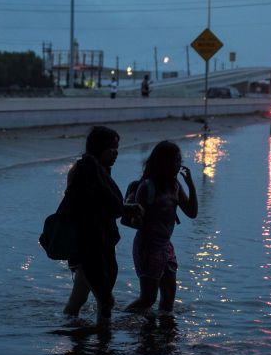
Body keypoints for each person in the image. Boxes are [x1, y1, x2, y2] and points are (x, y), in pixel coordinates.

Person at [62, 126, 141, 326]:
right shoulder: (88, 170)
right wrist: (126, 209)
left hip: (93, 243)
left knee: (78, 298)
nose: (116, 155)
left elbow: (104, 204)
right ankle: (103, 345)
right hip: (91, 244)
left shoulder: (94, 169)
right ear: (99, 148)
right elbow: (108, 205)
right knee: (105, 300)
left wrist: (123, 208)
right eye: (112, 150)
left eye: (117, 150)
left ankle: (72, 337)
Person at [125, 141, 198, 315]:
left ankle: (163, 338)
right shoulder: (147, 186)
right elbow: (132, 218)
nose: (179, 164)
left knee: (168, 301)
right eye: (175, 160)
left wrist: (191, 185)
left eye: (180, 160)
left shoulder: (175, 186)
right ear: (163, 163)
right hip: (148, 247)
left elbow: (192, 212)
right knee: (148, 299)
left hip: (165, 246)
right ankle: (119, 321)